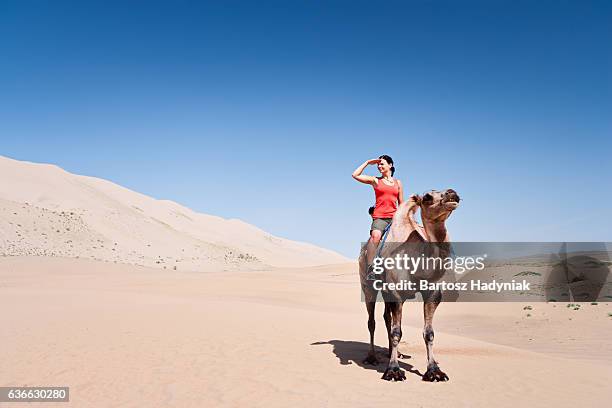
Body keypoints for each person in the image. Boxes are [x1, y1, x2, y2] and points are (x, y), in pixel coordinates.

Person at [352, 155, 404, 267]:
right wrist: (367, 162)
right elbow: (355, 175)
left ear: (390, 165)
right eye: (378, 165)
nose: (379, 166)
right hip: (380, 218)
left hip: (394, 218)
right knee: (375, 236)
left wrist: (402, 219)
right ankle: (371, 268)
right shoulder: (376, 180)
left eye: (382, 164)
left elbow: (401, 204)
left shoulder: (398, 183)